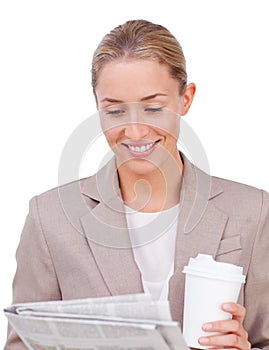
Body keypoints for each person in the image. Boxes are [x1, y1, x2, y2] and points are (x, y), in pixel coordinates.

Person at [5, 19, 269, 350]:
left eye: (153, 108)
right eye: (114, 111)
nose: (135, 132)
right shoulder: (50, 218)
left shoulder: (252, 211)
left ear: (185, 99)